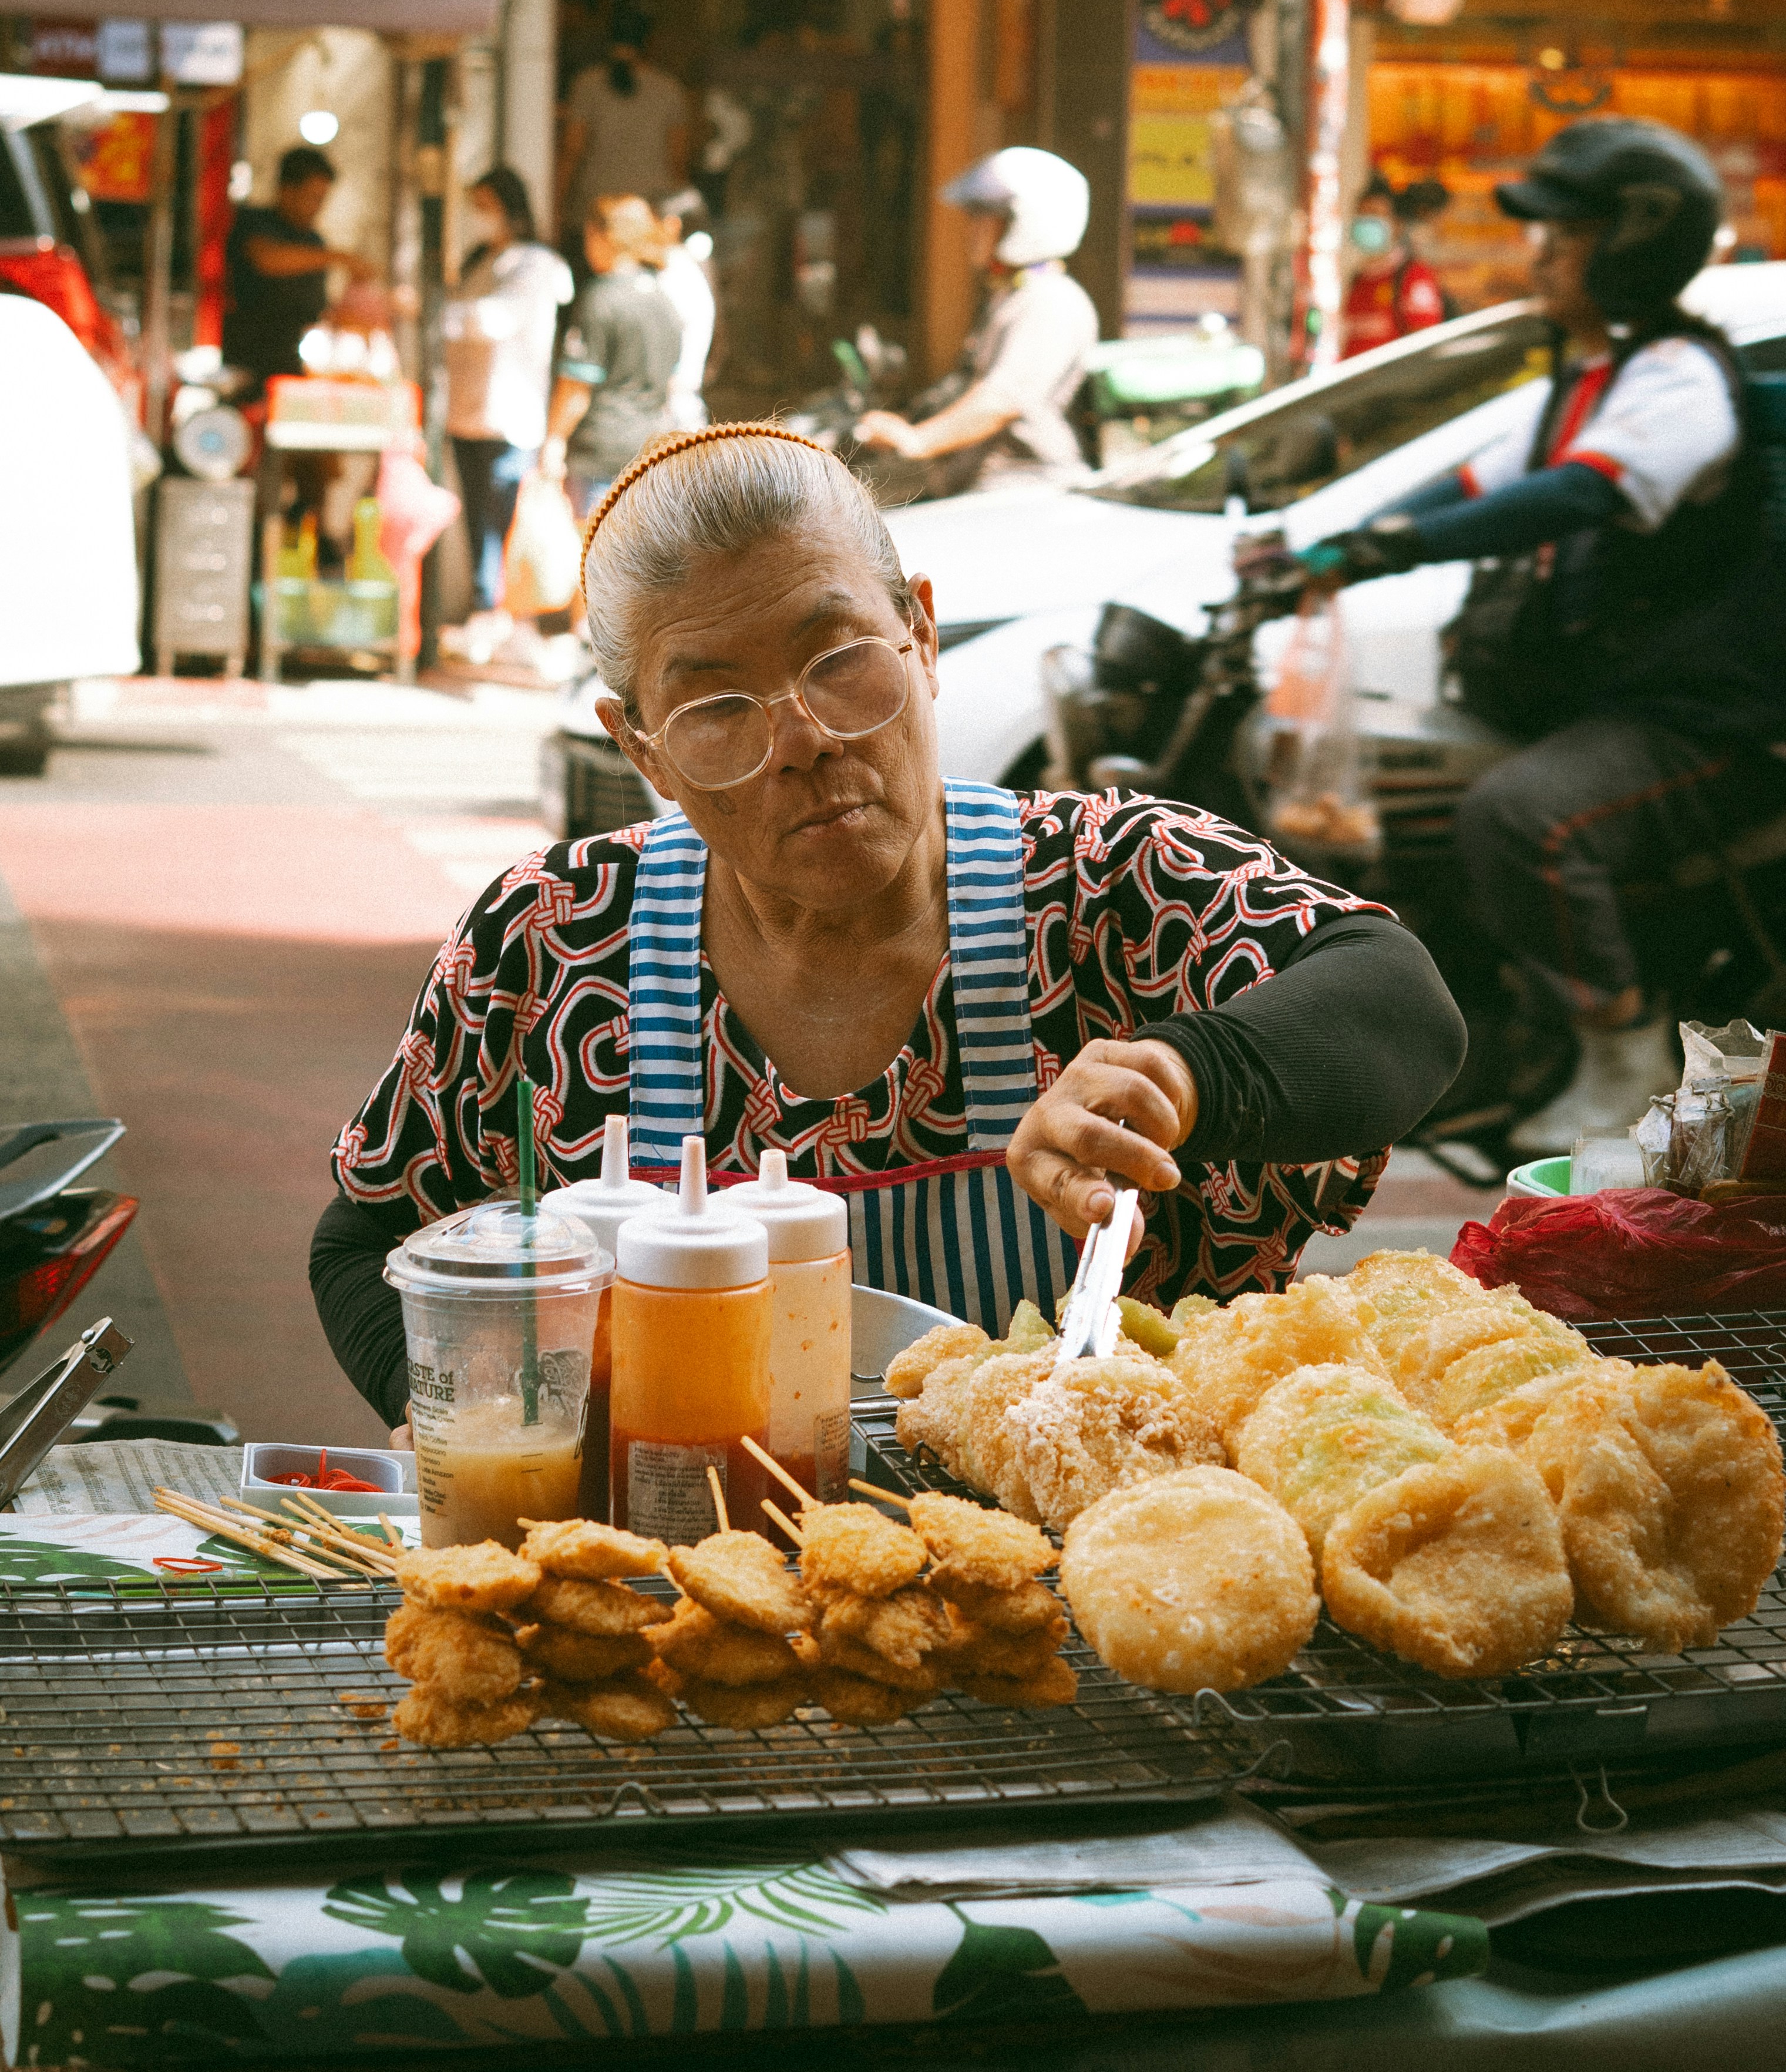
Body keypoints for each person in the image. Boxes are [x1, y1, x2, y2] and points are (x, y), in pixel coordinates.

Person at [313, 424, 1467, 1427]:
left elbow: (1394, 997)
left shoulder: (1105, 887)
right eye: (718, 706)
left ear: (918, 633)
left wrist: (1181, 1070)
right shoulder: (554, 942)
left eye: (839, 658)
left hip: (1100, 1606)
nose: (806, 738)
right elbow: (368, 1239)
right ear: (640, 745)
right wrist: (469, 1418)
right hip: (662, 1602)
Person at [1292, 117, 1786, 1149]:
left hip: (1693, 716)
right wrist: (1326, 539)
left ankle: (1625, 1049)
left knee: (1520, 815)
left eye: (1563, 235)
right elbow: (1476, 478)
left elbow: (1571, 494)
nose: (1540, 254)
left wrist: (1390, 549)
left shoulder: (1680, 379)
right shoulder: (1586, 379)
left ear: (1631, 244)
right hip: (1611, 698)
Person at [854, 146, 1099, 492]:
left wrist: (916, 440)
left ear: (1025, 222)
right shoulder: (1011, 296)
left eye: (984, 216)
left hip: (1023, 488)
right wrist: (907, 420)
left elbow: (1000, 402)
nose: (972, 230)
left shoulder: (1051, 301)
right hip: (980, 484)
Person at [438, 166, 576, 665]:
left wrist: (438, 318)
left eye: (484, 205)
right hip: (466, 410)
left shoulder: (536, 264)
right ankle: (485, 613)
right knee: (478, 519)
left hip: (511, 412)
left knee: (509, 520)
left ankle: (515, 620)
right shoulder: (480, 260)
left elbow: (492, 320)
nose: (477, 217)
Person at [540, 194, 684, 519]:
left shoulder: (601, 299)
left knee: (593, 555)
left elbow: (577, 387)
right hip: (650, 450)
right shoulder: (665, 301)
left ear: (605, 238)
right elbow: (672, 383)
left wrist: (554, 441)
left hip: (600, 454)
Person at [222, 148, 378, 394]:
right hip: (247, 364)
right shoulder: (254, 222)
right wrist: (340, 258)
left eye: (322, 199)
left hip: (294, 366)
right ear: (287, 190)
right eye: (312, 197)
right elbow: (267, 259)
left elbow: (317, 310)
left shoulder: (314, 241)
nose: (318, 207)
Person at [556, 12, 689, 242]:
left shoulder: (586, 85)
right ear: (650, 42)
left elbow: (572, 151)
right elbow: (677, 160)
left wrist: (556, 204)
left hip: (595, 213)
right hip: (649, 212)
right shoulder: (670, 90)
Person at [1336, 175, 1449, 361]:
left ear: (1396, 224)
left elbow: (1426, 348)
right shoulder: (1359, 279)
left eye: (1375, 214)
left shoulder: (1414, 276)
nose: (1366, 222)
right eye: (1361, 214)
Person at [655, 187, 718, 431]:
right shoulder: (696, 265)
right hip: (687, 404)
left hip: (669, 409)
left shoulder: (672, 271)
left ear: (671, 225)